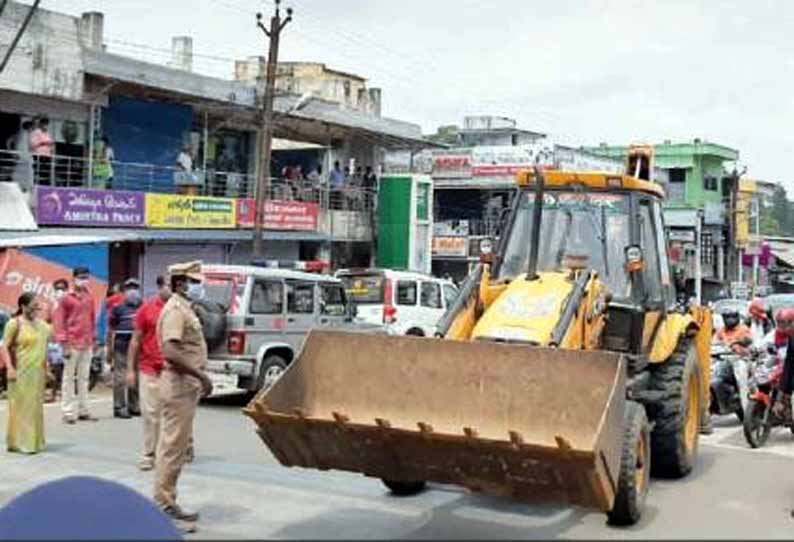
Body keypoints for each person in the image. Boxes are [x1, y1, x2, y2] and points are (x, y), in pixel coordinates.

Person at [154, 261, 213, 525]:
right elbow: (170, 351)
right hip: (179, 385)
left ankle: (167, 500)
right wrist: (201, 375)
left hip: (184, 386)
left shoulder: (185, 308)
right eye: (195, 282)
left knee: (176, 448)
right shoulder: (176, 310)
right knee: (172, 448)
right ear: (181, 283)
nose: (200, 286)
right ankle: (164, 505)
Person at [127, 275, 170, 471]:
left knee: (170, 412)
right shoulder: (147, 309)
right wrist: (130, 369)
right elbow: (136, 340)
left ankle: (172, 450)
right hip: (149, 368)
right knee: (150, 413)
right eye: (169, 285)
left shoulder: (181, 310)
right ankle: (149, 453)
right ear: (160, 287)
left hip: (174, 370)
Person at [1, 293, 51, 454]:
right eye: (33, 304)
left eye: (38, 305)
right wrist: (9, 368)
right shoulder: (14, 324)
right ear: (23, 306)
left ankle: (35, 442)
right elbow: (4, 347)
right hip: (20, 372)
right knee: (20, 408)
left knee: (36, 408)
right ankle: (21, 443)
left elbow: (44, 349)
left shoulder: (43, 326)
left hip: (38, 373)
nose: (37, 308)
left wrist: (48, 369)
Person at [56, 267, 98, 425]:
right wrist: (64, 344)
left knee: (84, 378)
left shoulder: (89, 296)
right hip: (72, 343)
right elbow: (59, 322)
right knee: (68, 378)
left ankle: (83, 410)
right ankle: (67, 412)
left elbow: (92, 319)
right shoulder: (66, 298)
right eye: (81, 277)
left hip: (87, 342)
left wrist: (94, 339)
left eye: (86, 277)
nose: (84, 280)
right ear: (73, 278)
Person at [110, 279, 142, 419]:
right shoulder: (118, 308)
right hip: (121, 344)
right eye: (129, 288)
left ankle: (134, 405)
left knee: (136, 375)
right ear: (124, 291)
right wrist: (109, 348)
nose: (132, 291)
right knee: (120, 376)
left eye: (135, 288)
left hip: (138, 345)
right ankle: (119, 406)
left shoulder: (143, 307)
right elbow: (112, 328)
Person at [6, 120, 34, 192]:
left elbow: (9, 141)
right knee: (22, 174)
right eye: (32, 128)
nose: (32, 129)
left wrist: (12, 152)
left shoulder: (26, 134)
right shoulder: (21, 133)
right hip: (22, 158)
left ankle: (24, 188)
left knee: (25, 174)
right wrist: (12, 152)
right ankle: (22, 188)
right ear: (29, 127)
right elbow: (9, 141)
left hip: (25, 158)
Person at [30, 117, 54, 186]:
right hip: (38, 156)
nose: (46, 126)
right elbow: (32, 145)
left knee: (46, 174)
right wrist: (42, 143)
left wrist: (51, 146)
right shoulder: (35, 133)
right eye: (45, 124)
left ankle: (45, 185)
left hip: (47, 156)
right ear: (41, 124)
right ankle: (37, 185)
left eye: (47, 124)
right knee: (38, 172)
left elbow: (50, 144)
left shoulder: (47, 134)